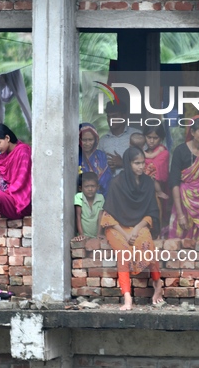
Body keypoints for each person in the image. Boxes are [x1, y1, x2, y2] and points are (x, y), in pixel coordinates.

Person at [100, 147, 163, 310]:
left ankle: (158, 286)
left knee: (148, 244)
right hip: (116, 227)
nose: (141, 167)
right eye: (137, 163)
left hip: (139, 225)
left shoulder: (148, 183)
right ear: (128, 164)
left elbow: (152, 212)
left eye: (143, 163)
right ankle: (127, 298)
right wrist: (125, 234)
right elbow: (108, 215)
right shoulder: (116, 183)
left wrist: (136, 230)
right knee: (124, 253)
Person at [168, 115, 199, 240]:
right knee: (181, 241)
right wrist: (180, 214)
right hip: (184, 203)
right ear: (192, 132)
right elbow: (175, 182)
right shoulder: (180, 151)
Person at [98, 102, 141, 176]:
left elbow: (147, 164)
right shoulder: (103, 141)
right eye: (108, 116)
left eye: (114, 116)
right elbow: (99, 166)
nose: (110, 119)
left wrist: (123, 163)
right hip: (110, 185)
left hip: (133, 185)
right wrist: (106, 168)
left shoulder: (137, 136)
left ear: (124, 117)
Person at [143, 125, 170, 231]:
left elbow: (154, 168)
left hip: (159, 190)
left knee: (158, 217)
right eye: (149, 137)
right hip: (143, 191)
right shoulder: (141, 152)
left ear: (161, 139)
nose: (151, 141)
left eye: (155, 138)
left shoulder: (164, 153)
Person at [79, 123, 112, 197]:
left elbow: (108, 178)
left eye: (90, 140)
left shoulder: (101, 156)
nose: (87, 143)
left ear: (96, 139)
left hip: (101, 198)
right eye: (84, 140)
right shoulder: (75, 157)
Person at [73, 172, 105, 242]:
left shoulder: (100, 198)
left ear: (97, 187)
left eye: (93, 186)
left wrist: (98, 234)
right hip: (84, 235)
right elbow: (78, 217)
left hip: (96, 235)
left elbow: (100, 217)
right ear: (80, 188)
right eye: (86, 186)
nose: (90, 189)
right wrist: (81, 235)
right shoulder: (79, 197)